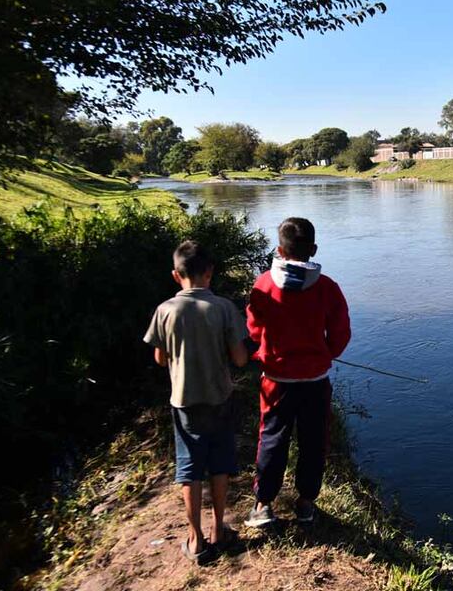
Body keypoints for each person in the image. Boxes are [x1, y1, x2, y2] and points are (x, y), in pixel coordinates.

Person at [143, 240, 249, 564]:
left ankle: (196, 539)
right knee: (220, 464)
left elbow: (160, 358)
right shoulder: (224, 308)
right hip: (220, 398)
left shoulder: (164, 310)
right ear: (210, 272)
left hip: (184, 402)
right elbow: (241, 359)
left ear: (176, 276)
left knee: (189, 468)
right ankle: (219, 529)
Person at [244, 217, 351, 526]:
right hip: (315, 381)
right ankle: (305, 504)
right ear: (314, 249)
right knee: (314, 441)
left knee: (272, 439)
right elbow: (341, 335)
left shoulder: (263, 284)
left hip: (276, 381)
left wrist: (266, 350)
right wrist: (324, 354)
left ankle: (263, 504)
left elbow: (253, 330)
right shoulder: (329, 288)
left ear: (279, 249)